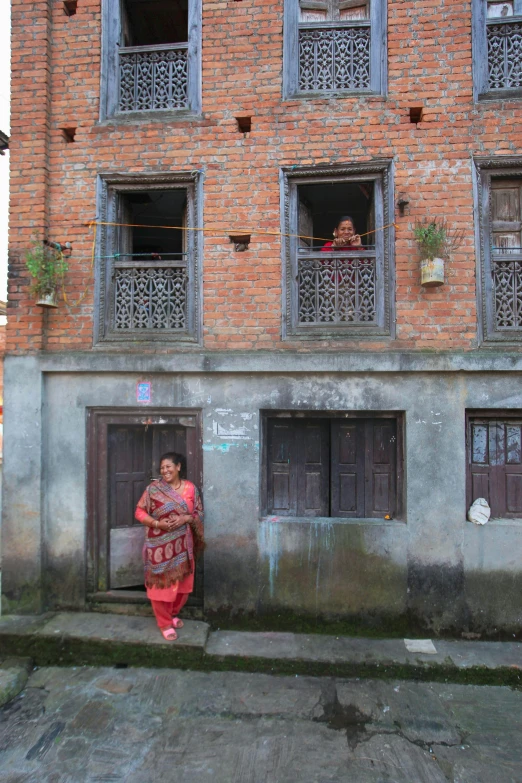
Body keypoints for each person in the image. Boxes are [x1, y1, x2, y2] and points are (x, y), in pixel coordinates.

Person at [135, 452, 204, 641]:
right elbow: (139, 512)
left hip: (183, 545)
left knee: (183, 586)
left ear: (178, 467)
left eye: (168, 466)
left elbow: (199, 513)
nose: (165, 470)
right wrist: (158, 524)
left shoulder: (190, 489)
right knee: (161, 586)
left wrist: (186, 518)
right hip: (159, 547)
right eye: (162, 467)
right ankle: (164, 623)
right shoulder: (153, 489)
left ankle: (172, 614)